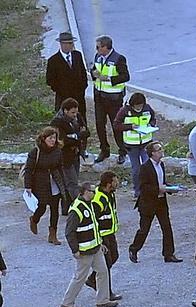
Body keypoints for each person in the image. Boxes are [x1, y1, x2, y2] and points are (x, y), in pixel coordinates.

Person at [60, 182, 118, 307]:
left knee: (103, 271)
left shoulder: (90, 204)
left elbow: (94, 226)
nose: (95, 193)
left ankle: (102, 300)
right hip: (84, 251)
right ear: (85, 192)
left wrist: (100, 243)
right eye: (92, 191)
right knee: (80, 277)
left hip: (95, 248)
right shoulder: (77, 209)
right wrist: (75, 250)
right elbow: (69, 232)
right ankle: (67, 303)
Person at [128, 141, 182, 263]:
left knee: (167, 228)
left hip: (161, 201)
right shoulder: (145, 167)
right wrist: (159, 189)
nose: (161, 151)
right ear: (152, 153)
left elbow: (162, 182)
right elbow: (143, 187)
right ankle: (134, 249)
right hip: (148, 203)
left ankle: (168, 254)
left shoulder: (161, 165)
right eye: (159, 149)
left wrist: (171, 188)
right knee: (144, 229)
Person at [24, 126, 68, 245]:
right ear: (44, 138)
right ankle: (34, 219)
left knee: (55, 209)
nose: (53, 140)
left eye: (54, 138)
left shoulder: (58, 151)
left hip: (55, 183)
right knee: (42, 206)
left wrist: (63, 183)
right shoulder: (35, 152)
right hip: (40, 183)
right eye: (50, 138)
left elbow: (60, 167)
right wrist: (27, 186)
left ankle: (53, 234)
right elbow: (28, 169)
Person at [91, 35, 129, 164]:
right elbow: (95, 70)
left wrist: (108, 79)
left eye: (98, 47)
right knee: (99, 124)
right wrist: (93, 73)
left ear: (105, 47)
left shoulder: (118, 59)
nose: (96, 50)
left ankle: (122, 150)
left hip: (113, 99)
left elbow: (125, 76)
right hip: (99, 97)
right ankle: (104, 149)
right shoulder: (98, 57)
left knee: (116, 125)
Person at [85, 171, 122, 301]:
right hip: (103, 235)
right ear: (108, 183)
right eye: (115, 181)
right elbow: (93, 219)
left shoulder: (109, 195)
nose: (117, 183)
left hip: (110, 233)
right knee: (106, 264)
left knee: (114, 257)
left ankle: (92, 279)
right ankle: (107, 293)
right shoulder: (99, 198)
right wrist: (98, 239)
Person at [50, 98, 89, 213]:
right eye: (72, 112)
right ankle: (80, 207)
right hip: (64, 157)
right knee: (71, 183)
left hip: (76, 154)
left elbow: (86, 132)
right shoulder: (57, 122)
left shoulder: (78, 117)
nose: (75, 115)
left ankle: (66, 207)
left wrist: (74, 136)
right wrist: (77, 136)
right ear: (65, 111)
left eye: (76, 112)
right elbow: (62, 140)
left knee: (73, 180)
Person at [113, 92, 156, 198]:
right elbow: (116, 125)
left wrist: (152, 124)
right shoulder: (124, 111)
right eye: (137, 106)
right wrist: (130, 126)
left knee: (148, 166)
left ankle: (149, 190)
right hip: (132, 145)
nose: (139, 108)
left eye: (140, 106)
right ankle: (138, 191)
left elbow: (153, 119)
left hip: (146, 143)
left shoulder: (147, 108)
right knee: (136, 169)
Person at [46, 32, 88, 123]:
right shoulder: (53, 61)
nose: (71, 45)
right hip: (63, 98)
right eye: (68, 43)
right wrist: (61, 90)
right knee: (64, 123)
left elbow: (83, 73)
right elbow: (50, 80)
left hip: (79, 97)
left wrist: (83, 88)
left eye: (71, 43)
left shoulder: (77, 55)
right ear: (62, 44)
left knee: (81, 121)